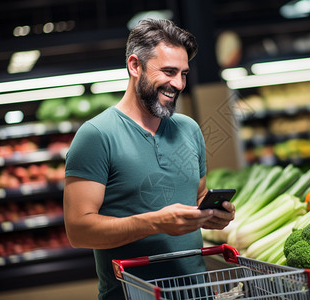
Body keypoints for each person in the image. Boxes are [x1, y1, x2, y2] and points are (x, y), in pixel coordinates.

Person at [63, 18, 236, 300]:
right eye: (168, 71)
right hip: (132, 294)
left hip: (197, 292)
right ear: (135, 66)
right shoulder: (96, 135)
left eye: (183, 73)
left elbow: (198, 196)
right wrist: (154, 222)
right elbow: (79, 231)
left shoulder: (189, 129)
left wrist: (213, 216)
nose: (178, 83)